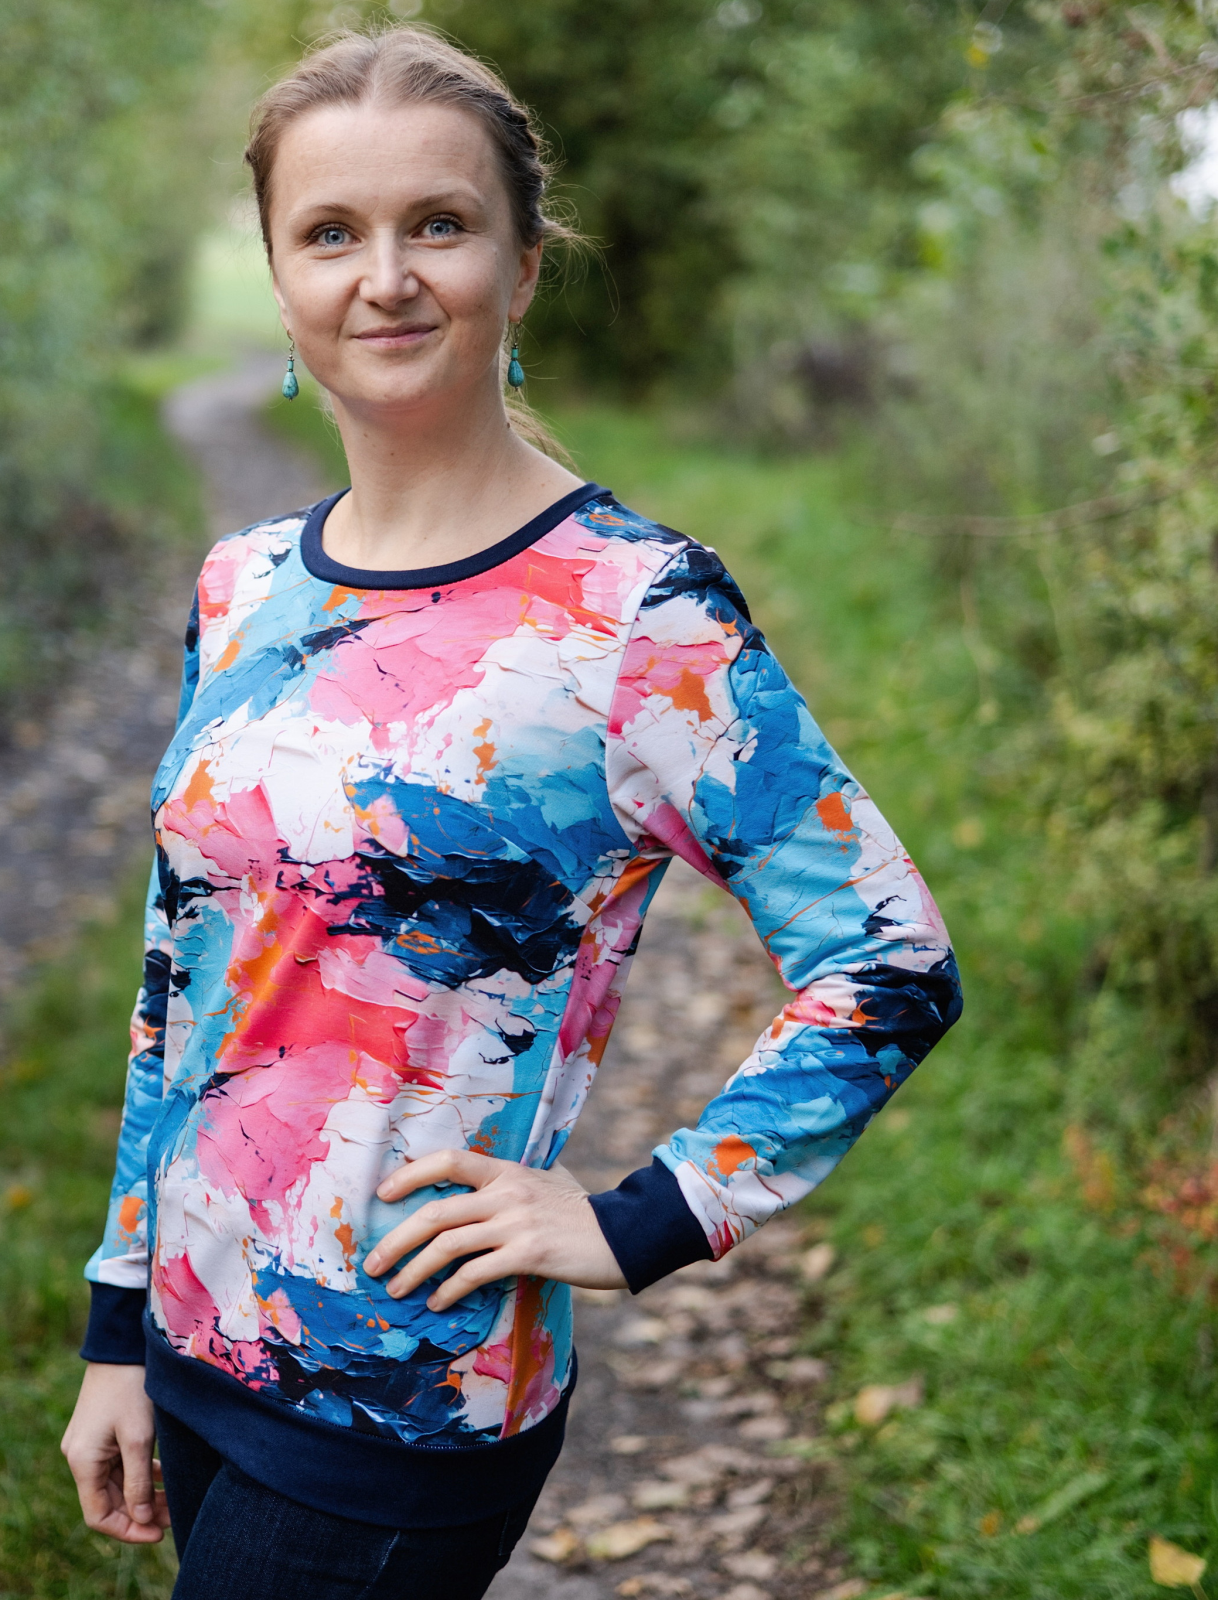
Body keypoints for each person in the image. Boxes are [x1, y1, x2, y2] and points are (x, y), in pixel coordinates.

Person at [60, 23, 961, 1599]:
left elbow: (888, 958)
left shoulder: (634, 614)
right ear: (277, 278)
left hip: (400, 1396)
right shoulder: (242, 584)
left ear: (523, 266)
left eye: (440, 224)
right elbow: (181, 975)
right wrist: (119, 1324)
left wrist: (642, 1219)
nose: (385, 278)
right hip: (199, 1347)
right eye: (330, 233)